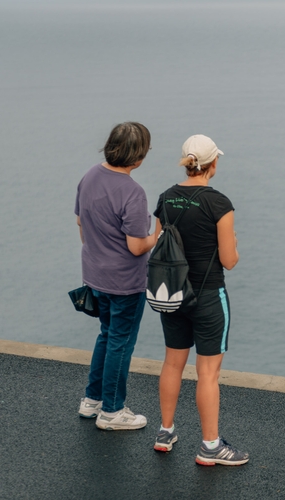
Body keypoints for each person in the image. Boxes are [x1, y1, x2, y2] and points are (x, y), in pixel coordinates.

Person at [151, 134, 248, 466]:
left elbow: (158, 245)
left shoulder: (165, 199)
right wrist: (233, 239)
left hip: (173, 294)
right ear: (213, 164)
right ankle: (209, 446)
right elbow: (230, 260)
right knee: (207, 374)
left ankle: (165, 431)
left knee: (172, 363)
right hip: (208, 296)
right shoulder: (219, 204)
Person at [75, 122, 158, 430]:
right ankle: (112, 411)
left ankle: (92, 400)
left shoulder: (90, 176)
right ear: (138, 156)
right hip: (125, 281)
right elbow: (137, 246)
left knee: (106, 336)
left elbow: (81, 223)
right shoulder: (132, 192)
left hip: (94, 275)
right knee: (120, 343)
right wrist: (157, 236)